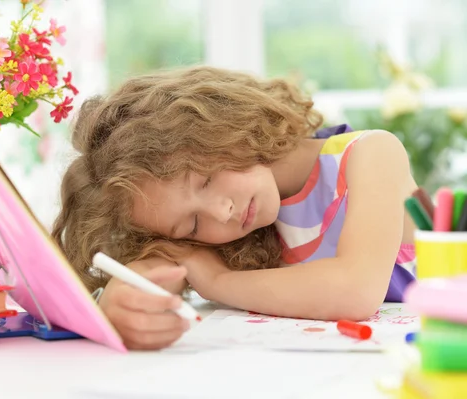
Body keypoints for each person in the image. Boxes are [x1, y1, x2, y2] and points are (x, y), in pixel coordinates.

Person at [51, 66, 418, 350]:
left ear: (224, 127)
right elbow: (151, 272)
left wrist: (218, 282)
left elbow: (354, 291)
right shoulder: (228, 241)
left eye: (207, 179)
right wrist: (119, 299)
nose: (221, 212)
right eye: (192, 225)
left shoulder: (371, 155)